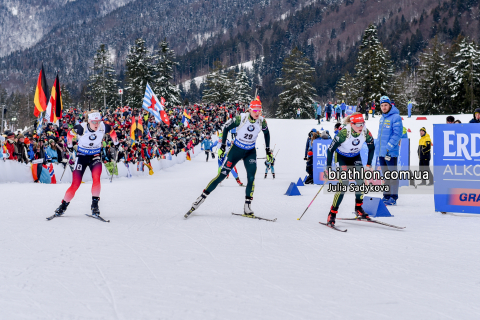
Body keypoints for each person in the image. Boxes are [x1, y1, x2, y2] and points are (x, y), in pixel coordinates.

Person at [185, 98, 271, 218]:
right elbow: (226, 128)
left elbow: (267, 134)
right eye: (255, 110)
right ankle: (201, 198)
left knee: (251, 177)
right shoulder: (241, 118)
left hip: (250, 152)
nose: (257, 113)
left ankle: (247, 206)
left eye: (259, 110)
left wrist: (268, 150)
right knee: (222, 175)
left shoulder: (262, 121)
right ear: (250, 109)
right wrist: (223, 146)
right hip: (236, 150)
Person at [49, 111, 119, 220]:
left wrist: (116, 142)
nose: (96, 124)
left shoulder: (103, 127)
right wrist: (70, 145)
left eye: (98, 121)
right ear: (89, 121)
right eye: (94, 122)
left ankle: (95, 206)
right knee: (75, 184)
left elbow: (113, 132)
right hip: (82, 157)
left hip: (95, 156)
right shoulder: (81, 128)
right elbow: (69, 134)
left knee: (96, 179)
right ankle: (63, 206)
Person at [325, 113, 375, 227]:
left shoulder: (365, 132)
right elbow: (330, 150)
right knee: (344, 183)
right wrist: (328, 167)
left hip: (354, 157)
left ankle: (358, 208)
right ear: (352, 124)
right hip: (341, 157)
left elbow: (372, 147)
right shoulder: (344, 133)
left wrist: (368, 164)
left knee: (360, 182)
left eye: (362, 123)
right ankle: (332, 213)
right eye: (358, 124)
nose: (361, 126)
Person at [376, 96, 403, 206]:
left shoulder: (396, 117)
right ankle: (386, 195)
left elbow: (397, 134)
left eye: (385, 105)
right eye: (382, 105)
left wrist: (389, 146)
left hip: (390, 152)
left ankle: (393, 197)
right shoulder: (382, 118)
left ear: (390, 105)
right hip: (382, 153)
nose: (383, 107)